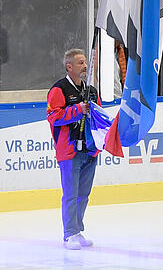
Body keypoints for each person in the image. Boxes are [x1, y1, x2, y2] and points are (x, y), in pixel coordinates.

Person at [46, 49, 101, 250]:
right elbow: (53, 116)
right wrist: (78, 109)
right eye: (80, 63)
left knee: (83, 194)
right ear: (69, 67)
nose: (84, 66)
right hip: (69, 151)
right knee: (70, 193)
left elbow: (98, 116)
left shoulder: (91, 90)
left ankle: (77, 230)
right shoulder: (59, 89)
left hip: (89, 149)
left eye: (85, 62)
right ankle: (69, 234)